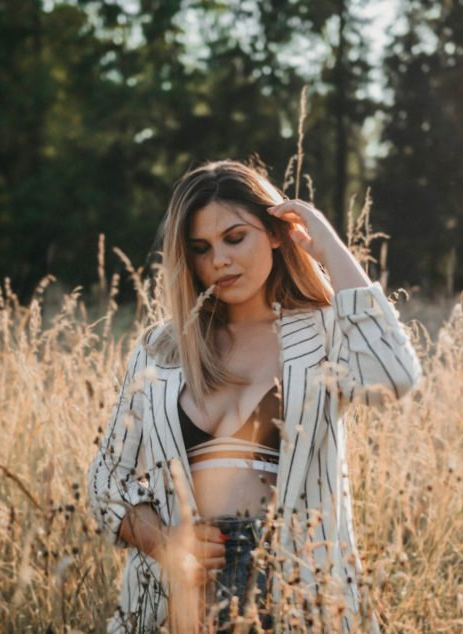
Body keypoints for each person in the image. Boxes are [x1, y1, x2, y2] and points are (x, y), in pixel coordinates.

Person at [87, 159, 423, 632]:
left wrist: (327, 245)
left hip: (299, 590)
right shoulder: (162, 351)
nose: (219, 260)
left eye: (235, 237)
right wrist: (164, 542)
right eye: (200, 248)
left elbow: (394, 377)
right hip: (183, 601)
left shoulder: (323, 332)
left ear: (276, 232)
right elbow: (107, 483)